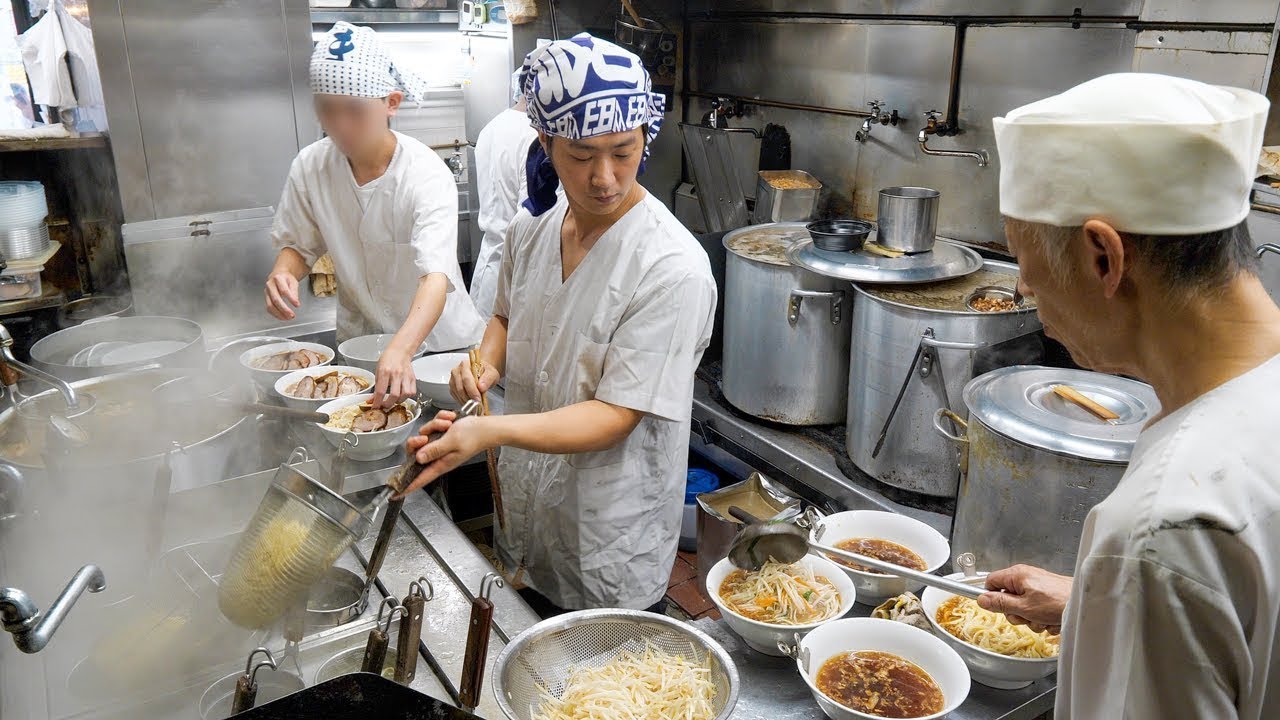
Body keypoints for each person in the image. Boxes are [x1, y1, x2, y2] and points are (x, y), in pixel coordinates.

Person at [978, 73, 1280, 718]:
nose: (1027, 294)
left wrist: (1138, 580)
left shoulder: (1162, 526)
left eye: (1024, 266)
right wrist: (1097, 600)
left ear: (1103, 258)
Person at [396, 34, 717, 615]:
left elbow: (617, 414)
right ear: (544, 142)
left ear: (646, 136)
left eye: (623, 152)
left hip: (605, 534)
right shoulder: (535, 228)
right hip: (529, 506)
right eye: (580, 155)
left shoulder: (671, 268)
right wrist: (485, 364)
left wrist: (488, 432)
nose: (605, 178)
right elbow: (504, 315)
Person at [266, 22, 484, 405]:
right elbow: (298, 246)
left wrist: (402, 348)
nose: (339, 125)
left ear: (391, 104)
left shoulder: (424, 174)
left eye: (354, 110)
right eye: (326, 109)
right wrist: (284, 274)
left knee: (448, 453)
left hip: (439, 351)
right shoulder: (311, 166)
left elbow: (436, 277)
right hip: (363, 349)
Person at [470, 71, 539, 320]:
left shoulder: (492, 125)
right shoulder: (535, 136)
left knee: (481, 354)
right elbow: (531, 223)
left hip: (488, 266)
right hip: (517, 275)